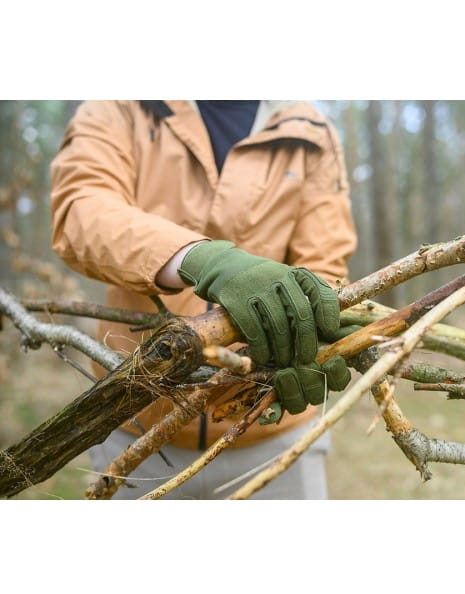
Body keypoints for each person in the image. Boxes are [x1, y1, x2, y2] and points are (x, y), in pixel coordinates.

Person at [50, 100, 357, 499]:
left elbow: (324, 261)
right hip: (133, 426)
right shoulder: (121, 105)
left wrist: (311, 337)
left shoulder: (308, 127)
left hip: (274, 438)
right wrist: (195, 258)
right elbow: (82, 210)